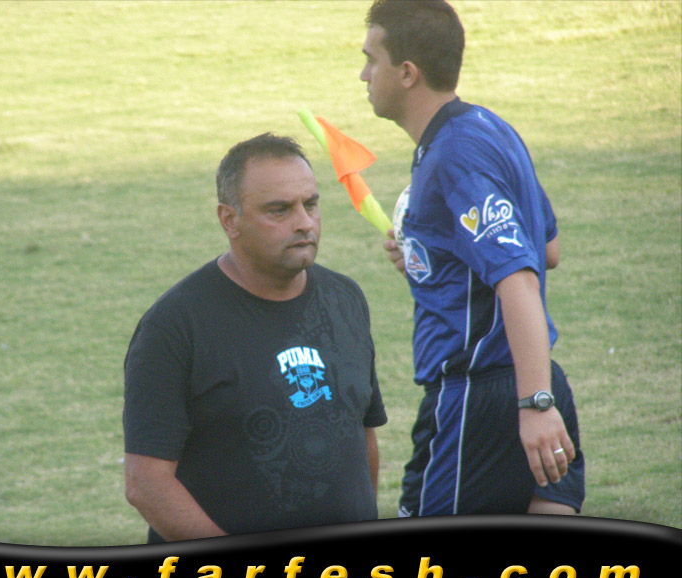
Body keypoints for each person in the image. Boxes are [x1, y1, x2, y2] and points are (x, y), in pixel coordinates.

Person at [359, 0, 584, 516]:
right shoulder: (490, 128)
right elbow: (546, 248)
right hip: (536, 381)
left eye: (371, 59)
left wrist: (534, 405)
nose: (364, 74)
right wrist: (431, 257)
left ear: (408, 73)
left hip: (482, 398)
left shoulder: (452, 156)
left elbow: (519, 277)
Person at [123, 133, 388, 542]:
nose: (304, 222)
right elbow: (147, 484)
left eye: (311, 204)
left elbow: (362, 436)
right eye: (279, 209)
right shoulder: (174, 327)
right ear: (230, 220)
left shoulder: (345, 299)